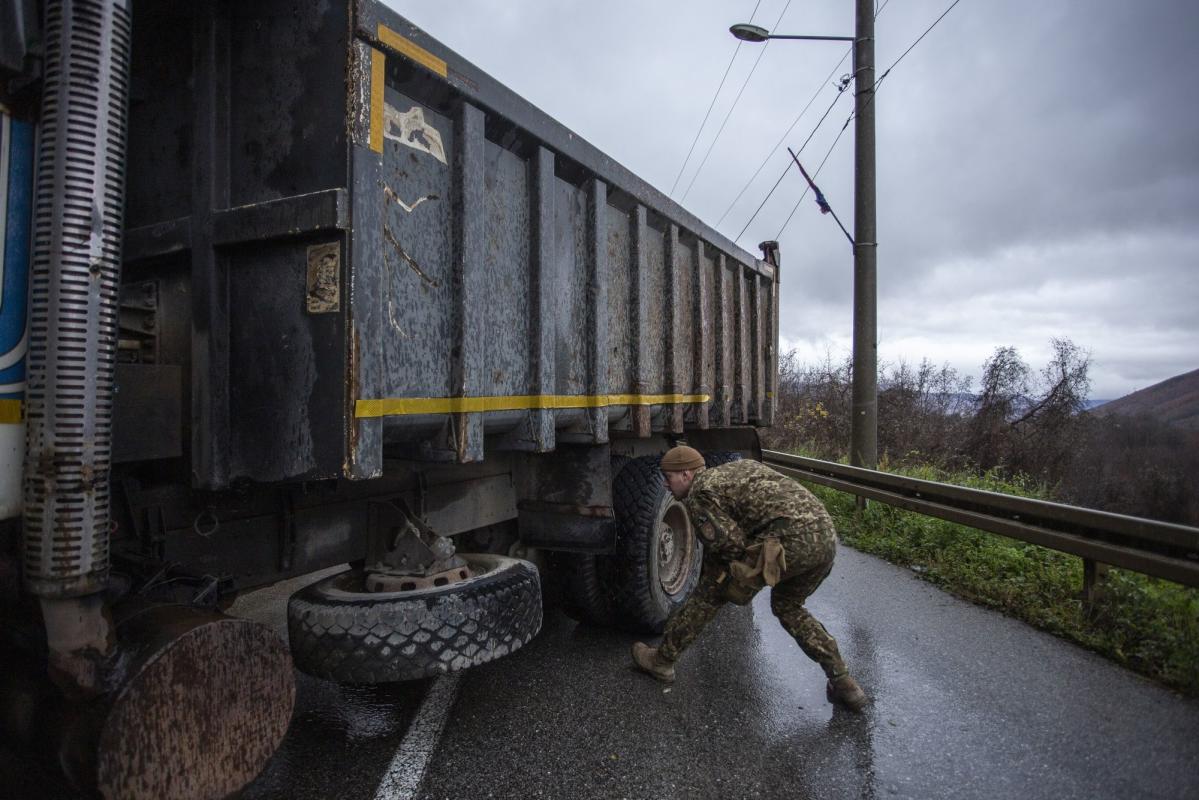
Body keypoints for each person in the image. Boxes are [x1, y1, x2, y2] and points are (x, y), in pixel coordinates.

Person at [630, 445, 868, 712]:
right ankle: (844, 681)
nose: (666, 483)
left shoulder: (699, 493)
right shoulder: (735, 471)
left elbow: (730, 545)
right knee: (788, 606)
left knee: (708, 595)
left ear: (686, 474)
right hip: (825, 537)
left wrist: (721, 581)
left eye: (669, 476)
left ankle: (662, 662)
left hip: (790, 542)